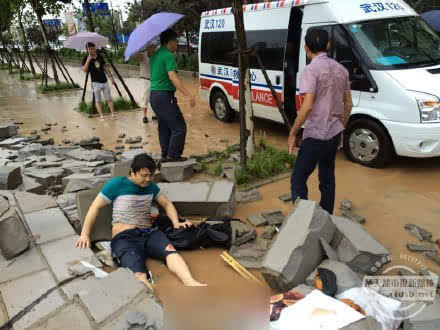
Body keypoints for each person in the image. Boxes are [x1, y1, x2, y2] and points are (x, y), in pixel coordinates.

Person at [76, 153, 206, 292]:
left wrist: (176, 223)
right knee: (138, 274)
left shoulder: (151, 187)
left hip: (149, 233)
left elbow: (167, 204)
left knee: (171, 253)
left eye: (151, 175)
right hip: (125, 237)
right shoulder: (117, 184)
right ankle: (152, 297)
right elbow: (94, 207)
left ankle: (190, 282)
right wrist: (85, 234)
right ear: (132, 172)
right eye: (144, 175)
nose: (148, 179)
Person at [288, 28, 353, 215]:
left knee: (298, 179)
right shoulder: (342, 70)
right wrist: (341, 129)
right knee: (327, 178)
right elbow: (348, 104)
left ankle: (304, 222)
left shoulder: (310, 70)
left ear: (306, 48)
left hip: (315, 135)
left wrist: (293, 132)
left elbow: (307, 107)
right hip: (333, 134)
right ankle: (326, 218)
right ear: (328, 45)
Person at [150, 29, 196, 163]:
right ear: (170, 42)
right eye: (176, 41)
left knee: (164, 126)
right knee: (179, 127)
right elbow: (173, 77)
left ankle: (165, 155)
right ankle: (173, 156)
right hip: (164, 96)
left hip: (154, 96)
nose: (176, 44)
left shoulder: (155, 54)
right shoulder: (168, 55)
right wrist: (189, 95)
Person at [81, 42, 116, 121]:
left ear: (95, 48)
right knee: (98, 100)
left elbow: (105, 67)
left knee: (109, 99)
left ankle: (113, 114)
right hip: (95, 83)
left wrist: (111, 78)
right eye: (90, 49)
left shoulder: (100, 56)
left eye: (93, 49)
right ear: (87, 49)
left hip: (104, 81)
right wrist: (88, 61)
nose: (92, 50)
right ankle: (101, 116)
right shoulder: (85, 58)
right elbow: (84, 70)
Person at [136, 43, 157, 123]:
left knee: (155, 98)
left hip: (155, 80)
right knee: (145, 99)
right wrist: (137, 49)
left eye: (154, 47)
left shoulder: (155, 56)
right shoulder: (142, 55)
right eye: (152, 47)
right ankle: (144, 116)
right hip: (145, 80)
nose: (154, 49)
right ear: (148, 48)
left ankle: (155, 114)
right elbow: (138, 58)